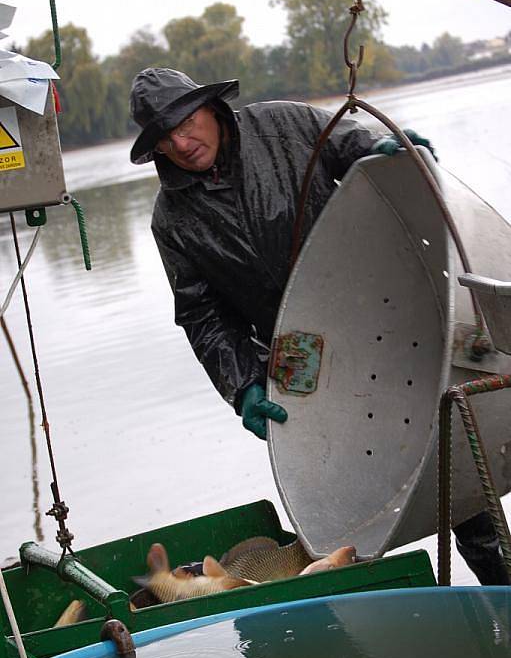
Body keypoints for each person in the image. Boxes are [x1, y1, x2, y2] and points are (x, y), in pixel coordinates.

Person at [129, 67, 508, 585]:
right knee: (333, 499)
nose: (182, 142)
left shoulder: (280, 126)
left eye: (187, 122)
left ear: (209, 108)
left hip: (378, 307)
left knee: (459, 483)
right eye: (165, 138)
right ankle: (377, 611)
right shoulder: (171, 219)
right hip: (297, 356)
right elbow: (200, 314)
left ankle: (502, 599)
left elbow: (352, 147)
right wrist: (242, 385)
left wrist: (388, 147)